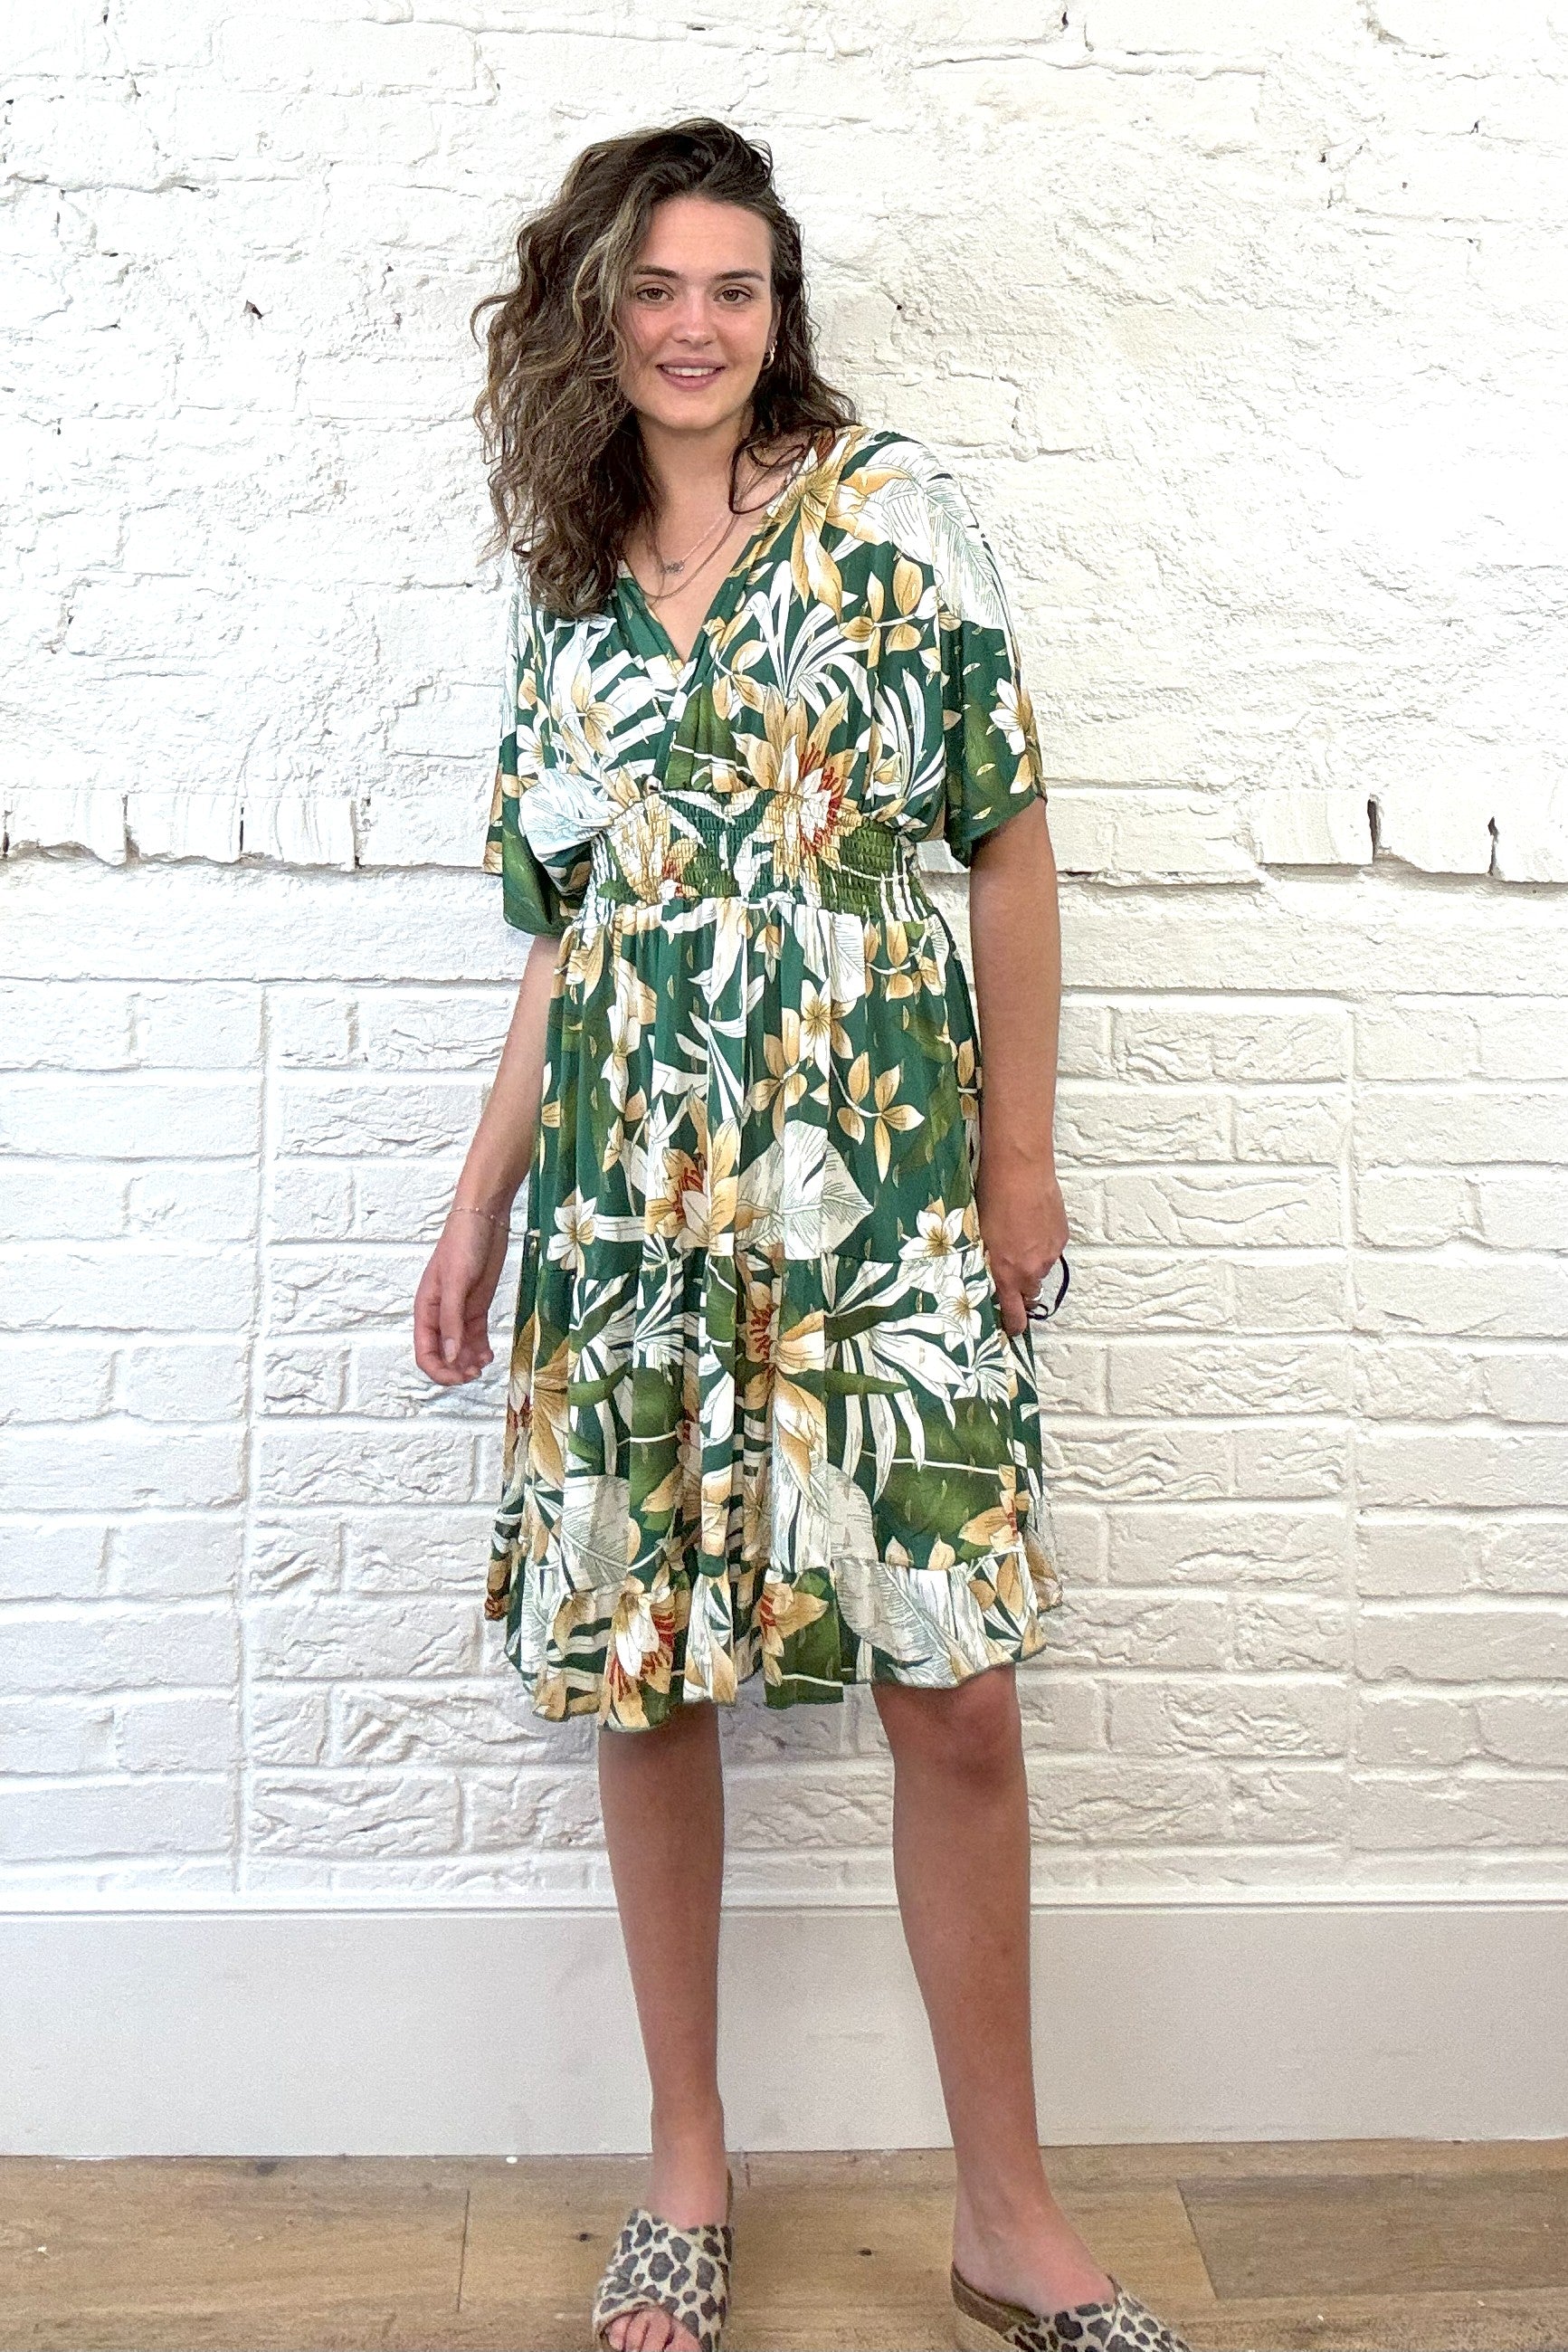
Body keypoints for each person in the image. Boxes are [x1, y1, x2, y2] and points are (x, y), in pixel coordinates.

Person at [414, 118, 1193, 2352]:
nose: (696, 327)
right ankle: (688, 2166)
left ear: (782, 312)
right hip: (630, 1209)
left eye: (734, 289)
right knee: (641, 1668)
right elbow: (567, 935)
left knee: (960, 1690)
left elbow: (1006, 843)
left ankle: (1007, 2215)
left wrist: (1020, 1161)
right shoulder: (569, 595)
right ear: (595, 315)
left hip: (881, 1199)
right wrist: (477, 1205)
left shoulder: (894, 516)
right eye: (657, 289)